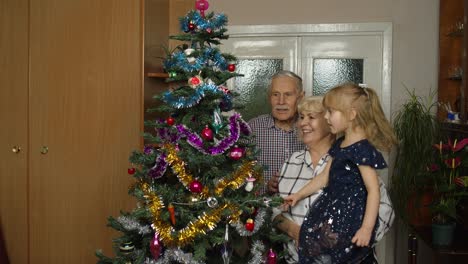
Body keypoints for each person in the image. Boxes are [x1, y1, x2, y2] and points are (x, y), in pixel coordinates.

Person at [284, 83, 398, 263]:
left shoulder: (362, 150)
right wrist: (298, 194)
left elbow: (373, 190)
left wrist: (366, 229)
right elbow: (325, 177)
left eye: (331, 112)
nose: (326, 117)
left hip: (350, 219)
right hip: (333, 215)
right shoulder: (340, 144)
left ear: (351, 115)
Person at [272, 96, 335, 263]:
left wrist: (349, 246)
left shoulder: (348, 161)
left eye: (311, 117)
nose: (302, 123)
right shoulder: (291, 161)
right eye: (301, 117)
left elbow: (384, 212)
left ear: (329, 122)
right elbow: (274, 210)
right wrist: (294, 231)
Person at [248, 70, 305, 194]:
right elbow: (236, 177)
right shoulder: (252, 128)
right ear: (269, 97)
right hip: (261, 210)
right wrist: (265, 188)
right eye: (275, 94)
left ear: (300, 98)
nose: (281, 101)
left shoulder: (311, 129)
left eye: (288, 94)